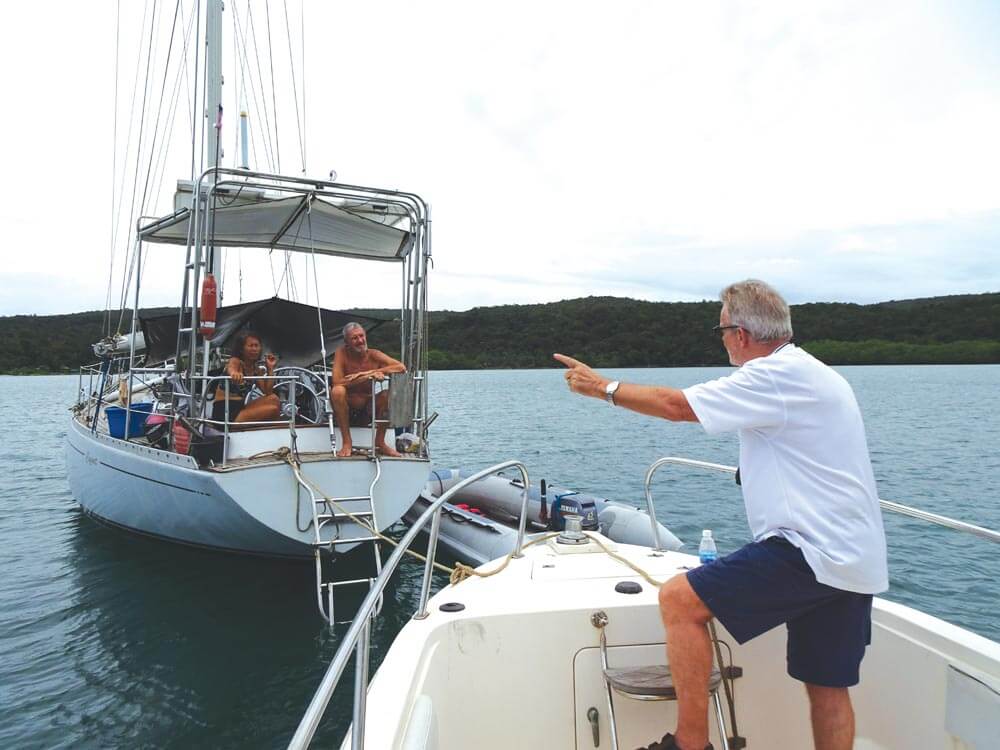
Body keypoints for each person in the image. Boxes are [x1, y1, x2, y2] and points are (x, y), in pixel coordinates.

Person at [555, 279, 888, 750]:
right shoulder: (816, 373)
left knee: (680, 601)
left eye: (721, 329)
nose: (723, 339)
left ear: (741, 333)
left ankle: (691, 743)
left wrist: (602, 387)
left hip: (808, 549)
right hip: (854, 557)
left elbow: (677, 407)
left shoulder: (772, 375)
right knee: (828, 687)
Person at [330, 322, 406, 457]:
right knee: (338, 391)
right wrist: (368, 376)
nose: (360, 341)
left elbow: (401, 368)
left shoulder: (374, 354)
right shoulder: (341, 353)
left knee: (388, 395)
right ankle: (347, 442)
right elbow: (337, 381)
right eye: (354, 338)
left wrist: (370, 372)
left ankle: (380, 442)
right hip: (347, 408)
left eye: (361, 336)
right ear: (346, 342)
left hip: (368, 409)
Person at [212, 332, 281, 424]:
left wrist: (270, 368)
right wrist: (235, 374)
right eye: (251, 346)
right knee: (273, 409)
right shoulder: (236, 361)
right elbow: (231, 368)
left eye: (257, 346)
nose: (254, 349)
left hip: (241, 406)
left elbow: (268, 392)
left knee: (274, 398)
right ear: (241, 349)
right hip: (226, 412)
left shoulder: (255, 369)